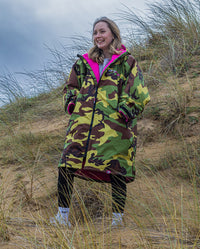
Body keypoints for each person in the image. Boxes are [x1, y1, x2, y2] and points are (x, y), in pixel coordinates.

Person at [51, 16, 150, 228]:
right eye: (95, 32)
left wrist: (124, 111)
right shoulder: (83, 63)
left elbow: (139, 92)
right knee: (66, 165)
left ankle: (117, 220)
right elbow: (70, 87)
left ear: (113, 33)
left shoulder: (127, 62)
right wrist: (72, 105)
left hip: (115, 128)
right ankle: (62, 217)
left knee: (116, 170)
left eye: (102, 31)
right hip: (81, 126)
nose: (98, 36)